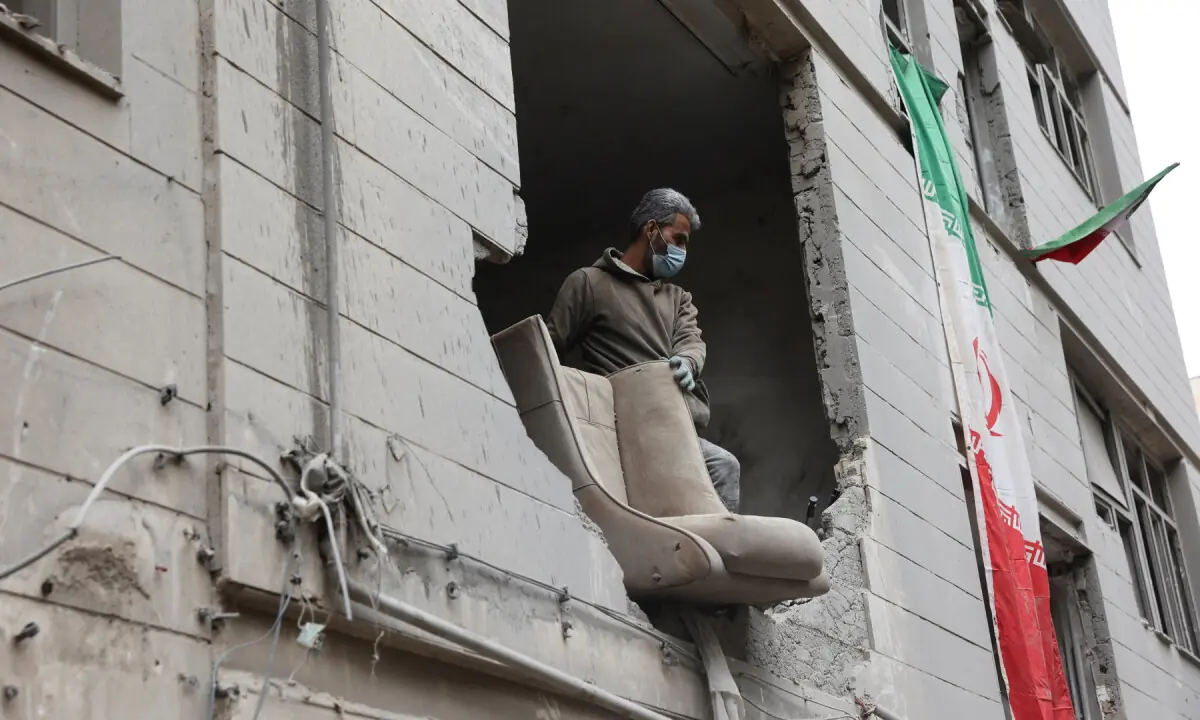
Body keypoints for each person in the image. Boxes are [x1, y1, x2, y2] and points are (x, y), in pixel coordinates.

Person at [545, 188, 740, 513]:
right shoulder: (589, 283)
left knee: (722, 466)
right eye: (678, 239)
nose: (682, 252)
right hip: (617, 423)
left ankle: (711, 544)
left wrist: (688, 362)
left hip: (671, 423)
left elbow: (691, 341)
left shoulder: (677, 298)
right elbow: (548, 349)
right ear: (651, 230)